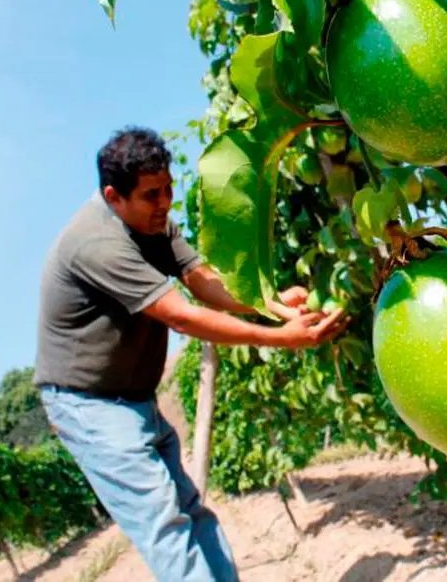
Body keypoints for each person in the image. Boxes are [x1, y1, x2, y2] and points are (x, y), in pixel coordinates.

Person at [32, 126, 348, 581]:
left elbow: (200, 278)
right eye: (150, 194)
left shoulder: (152, 221)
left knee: (190, 511)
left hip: (134, 398)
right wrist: (280, 338)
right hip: (90, 405)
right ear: (113, 197)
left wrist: (270, 302)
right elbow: (180, 316)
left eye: (168, 189)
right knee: (164, 524)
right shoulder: (99, 244)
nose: (164, 202)